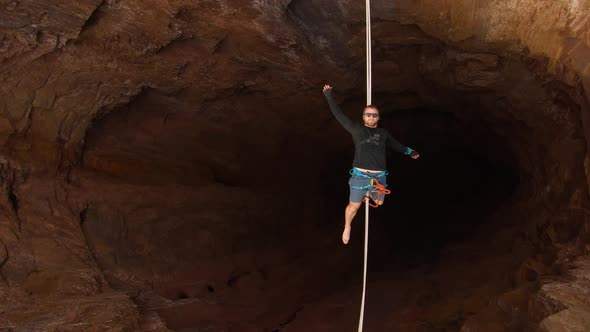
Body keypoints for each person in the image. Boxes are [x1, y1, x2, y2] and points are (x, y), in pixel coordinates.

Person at [323, 84, 420, 244]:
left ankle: (368, 193)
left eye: (374, 115)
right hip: (360, 176)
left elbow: (396, 145)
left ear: (378, 118)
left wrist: (410, 151)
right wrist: (328, 95)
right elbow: (339, 115)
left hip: (379, 177)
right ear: (363, 117)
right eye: (368, 115)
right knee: (353, 207)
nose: (371, 117)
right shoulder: (356, 130)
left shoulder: (383, 133)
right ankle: (347, 225)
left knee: (379, 202)